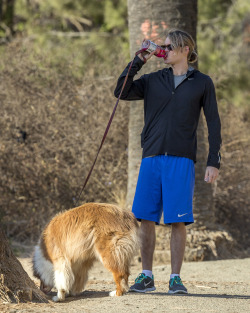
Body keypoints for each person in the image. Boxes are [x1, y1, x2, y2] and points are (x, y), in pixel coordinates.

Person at [114, 29, 221, 294]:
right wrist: (139, 60)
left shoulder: (202, 82)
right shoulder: (153, 80)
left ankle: (175, 278)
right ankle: (147, 276)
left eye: (170, 46)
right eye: (164, 46)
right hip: (151, 156)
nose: (165, 50)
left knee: (177, 221)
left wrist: (213, 161)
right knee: (145, 218)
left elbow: (214, 122)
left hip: (181, 159)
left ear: (186, 50)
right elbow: (121, 91)